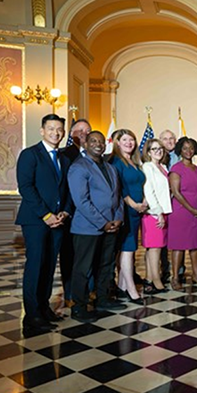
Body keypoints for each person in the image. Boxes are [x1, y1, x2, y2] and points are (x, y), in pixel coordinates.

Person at [15, 113, 71, 331]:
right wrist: (46, 215)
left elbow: (64, 190)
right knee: (36, 265)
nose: (56, 133)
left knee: (49, 266)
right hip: (36, 220)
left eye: (59, 129)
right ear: (42, 130)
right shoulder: (30, 154)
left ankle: (43, 307)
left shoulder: (63, 159)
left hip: (58, 220)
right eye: (51, 129)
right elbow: (26, 187)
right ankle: (32, 315)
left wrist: (64, 212)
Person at [68, 131, 126, 322]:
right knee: (83, 268)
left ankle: (102, 299)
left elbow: (117, 196)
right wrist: (103, 222)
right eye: (93, 141)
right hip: (87, 228)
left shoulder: (110, 168)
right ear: (85, 143)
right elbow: (81, 201)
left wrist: (118, 218)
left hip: (111, 226)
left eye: (101, 142)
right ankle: (79, 306)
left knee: (106, 265)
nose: (98, 144)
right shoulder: (79, 167)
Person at [109, 129, 148, 304]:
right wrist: (134, 204)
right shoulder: (116, 162)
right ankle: (132, 290)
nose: (129, 143)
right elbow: (120, 188)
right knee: (127, 249)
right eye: (125, 140)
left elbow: (142, 183)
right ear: (117, 142)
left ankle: (122, 287)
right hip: (126, 210)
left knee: (130, 249)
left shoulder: (134, 162)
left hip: (138, 211)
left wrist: (144, 202)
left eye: (132, 140)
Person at [59, 118, 92, 306]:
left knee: (88, 255)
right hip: (69, 213)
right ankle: (70, 294)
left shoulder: (96, 154)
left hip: (91, 215)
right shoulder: (64, 154)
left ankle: (89, 290)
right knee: (69, 255)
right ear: (71, 134)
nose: (84, 133)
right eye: (79, 130)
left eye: (87, 130)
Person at [168, 137, 197, 289]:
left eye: (191, 148)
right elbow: (176, 193)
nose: (188, 151)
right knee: (179, 245)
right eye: (185, 148)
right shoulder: (176, 169)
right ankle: (175, 278)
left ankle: (196, 275)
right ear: (180, 150)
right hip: (181, 211)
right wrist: (192, 210)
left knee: (195, 245)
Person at [141, 138, 172, 293]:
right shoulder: (148, 167)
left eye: (160, 148)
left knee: (153, 249)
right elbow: (149, 191)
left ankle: (148, 279)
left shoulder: (162, 167)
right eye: (154, 149)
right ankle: (156, 281)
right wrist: (158, 212)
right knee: (155, 248)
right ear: (148, 152)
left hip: (163, 211)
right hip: (154, 213)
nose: (158, 151)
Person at [158, 129, 178, 283]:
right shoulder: (156, 157)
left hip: (177, 203)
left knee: (178, 237)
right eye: (165, 139)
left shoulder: (180, 156)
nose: (169, 141)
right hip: (161, 204)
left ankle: (179, 271)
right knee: (161, 240)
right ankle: (163, 270)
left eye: (172, 138)